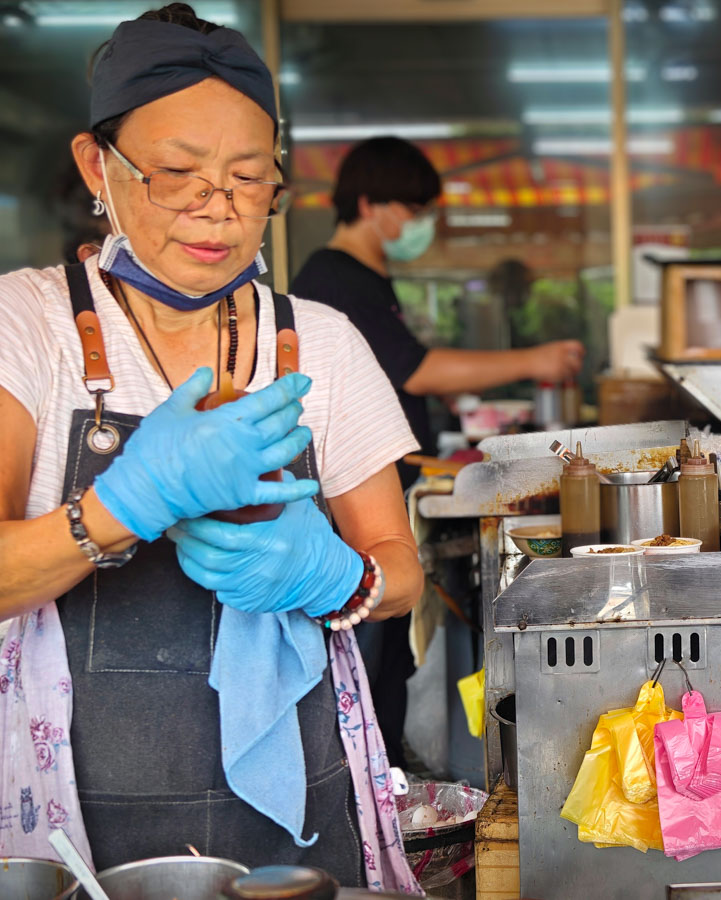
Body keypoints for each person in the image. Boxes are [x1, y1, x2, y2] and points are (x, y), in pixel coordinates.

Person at [0, 5, 422, 892]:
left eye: (247, 178)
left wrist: (339, 578)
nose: (216, 211)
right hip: (79, 816)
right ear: (97, 167)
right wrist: (122, 506)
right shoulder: (24, 324)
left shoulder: (325, 340)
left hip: (304, 812)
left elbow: (401, 571)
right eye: (176, 174)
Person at [291, 136, 584, 771]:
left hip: (382, 494)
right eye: (415, 208)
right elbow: (415, 371)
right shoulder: (333, 281)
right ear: (371, 204)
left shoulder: (364, 279)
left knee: (388, 654)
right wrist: (535, 360)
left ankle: (383, 783)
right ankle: (368, 789)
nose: (422, 224)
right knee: (368, 660)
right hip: (349, 511)